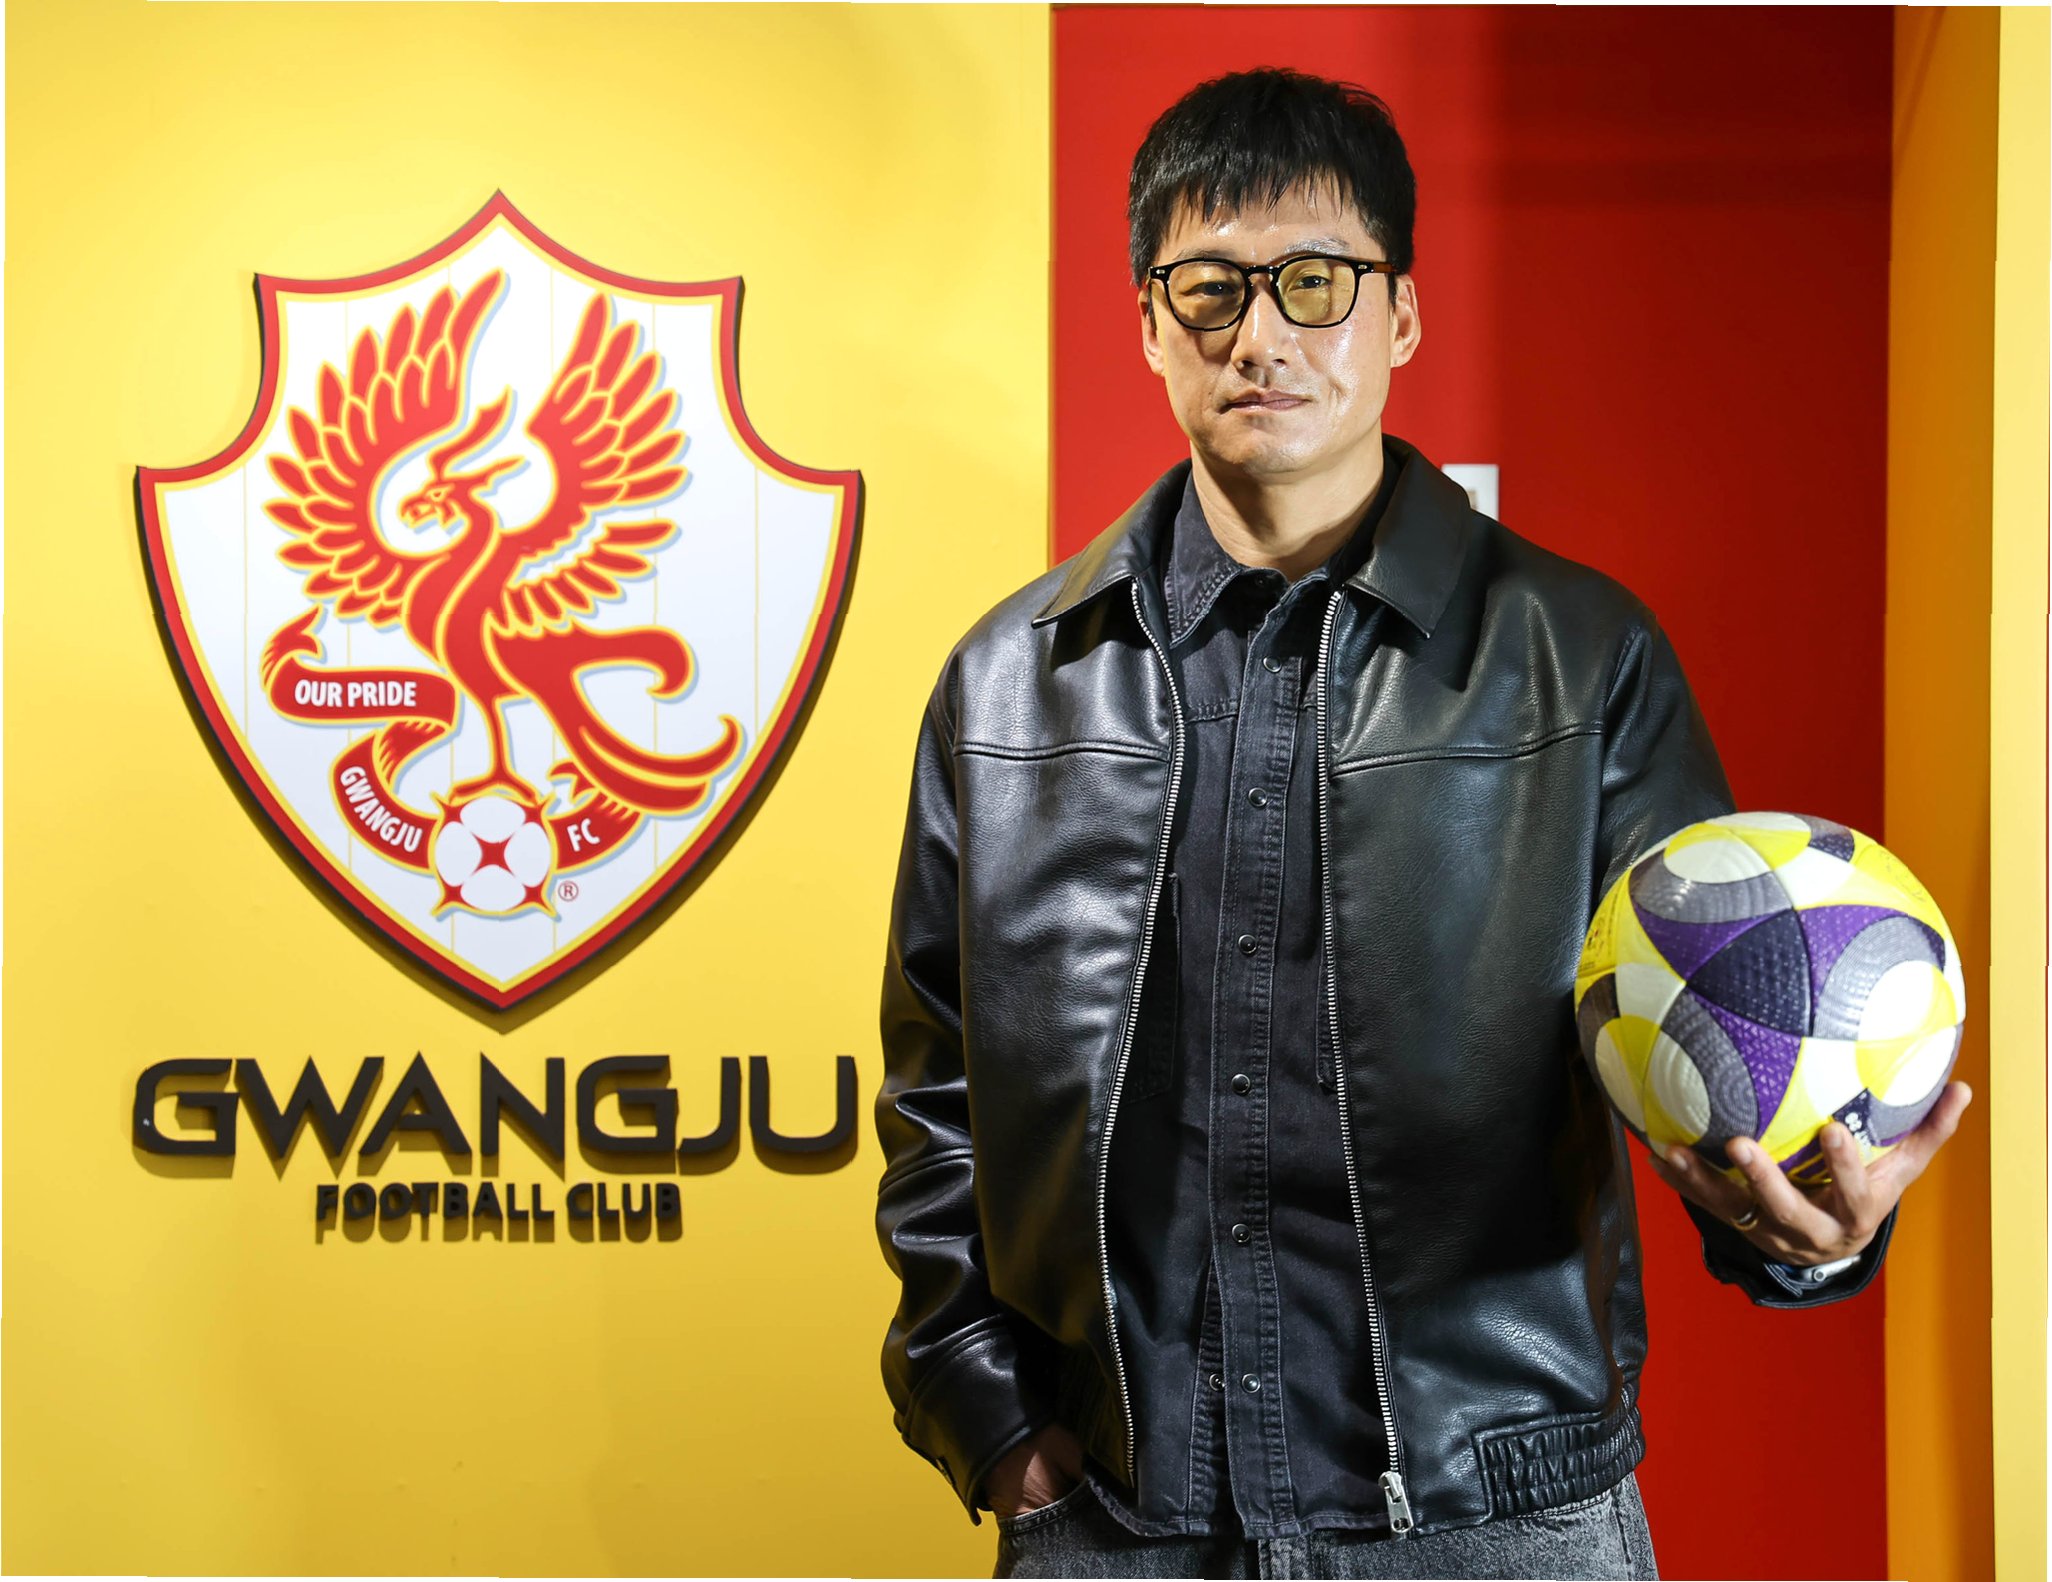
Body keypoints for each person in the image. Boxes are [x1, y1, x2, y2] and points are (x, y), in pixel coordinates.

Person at [872, 67, 1969, 1581]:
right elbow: (937, 1093)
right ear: (1148, 325)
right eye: (1210, 290)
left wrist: (1809, 1227)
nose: (1261, 337)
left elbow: (1718, 1032)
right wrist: (994, 1423)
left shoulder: (1583, 656)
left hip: (1500, 1519)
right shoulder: (1006, 683)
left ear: (1399, 316)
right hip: (1117, 1520)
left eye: (1315, 283)